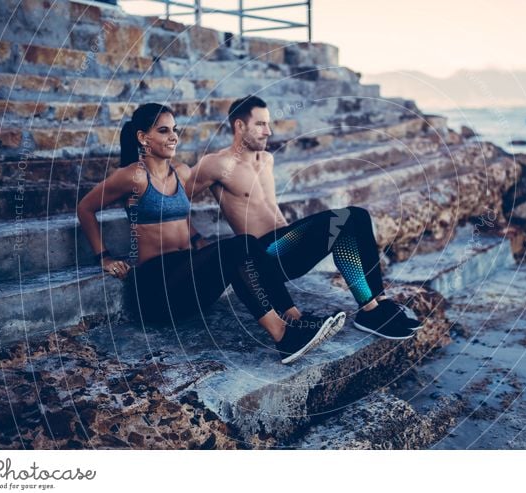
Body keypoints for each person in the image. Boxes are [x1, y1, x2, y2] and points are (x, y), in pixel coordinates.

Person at [76, 103, 344, 364]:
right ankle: (284, 337)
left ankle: (295, 319)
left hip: (185, 276)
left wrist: (195, 239)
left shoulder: (180, 172)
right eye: (163, 131)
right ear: (142, 137)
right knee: (234, 249)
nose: (173, 137)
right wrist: (105, 257)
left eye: (175, 130)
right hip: (155, 287)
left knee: (247, 243)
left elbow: (175, 216)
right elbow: (85, 209)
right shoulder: (132, 176)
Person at [186, 96, 422, 340]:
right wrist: (194, 237)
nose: (268, 131)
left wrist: (299, 237)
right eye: (260, 124)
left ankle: (376, 304)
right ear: (239, 126)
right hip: (263, 255)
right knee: (349, 216)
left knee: (354, 221)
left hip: (287, 247)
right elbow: (174, 199)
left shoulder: (266, 160)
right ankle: (370, 311)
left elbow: (272, 208)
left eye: (268, 123)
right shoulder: (216, 164)